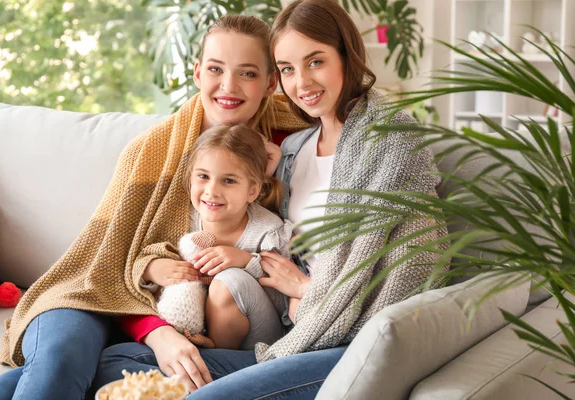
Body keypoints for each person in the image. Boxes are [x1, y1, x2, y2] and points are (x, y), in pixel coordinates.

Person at [92, 0, 447, 399]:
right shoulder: (293, 150)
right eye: (288, 69)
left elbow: (413, 264)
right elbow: (253, 227)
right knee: (113, 362)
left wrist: (305, 290)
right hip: (290, 329)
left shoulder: (389, 140)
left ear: (348, 56)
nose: (303, 83)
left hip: (351, 345)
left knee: (198, 392)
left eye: (316, 62)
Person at [0, 15, 306, 400]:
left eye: (247, 73)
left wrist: (268, 172)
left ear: (271, 82)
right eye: (216, 69)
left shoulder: (295, 145)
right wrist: (158, 331)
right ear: (198, 73)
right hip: (86, 297)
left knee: (12, 387)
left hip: (180, 311)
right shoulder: (151, 152)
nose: (228, 86)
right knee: (61, 360)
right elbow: (106, 265)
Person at [143, 123, 293, 351]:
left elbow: (283, 302)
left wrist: (246, 262)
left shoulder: (268, 230)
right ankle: (195, 348)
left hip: (257, 335)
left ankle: (215, 359)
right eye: (203, 176)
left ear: (252, 190)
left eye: (228, 181)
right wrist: (152, 269)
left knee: (228, 281)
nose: (212, 191)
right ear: (191, 178)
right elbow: (139, 262)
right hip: (192, 329)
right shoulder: (181, 220)